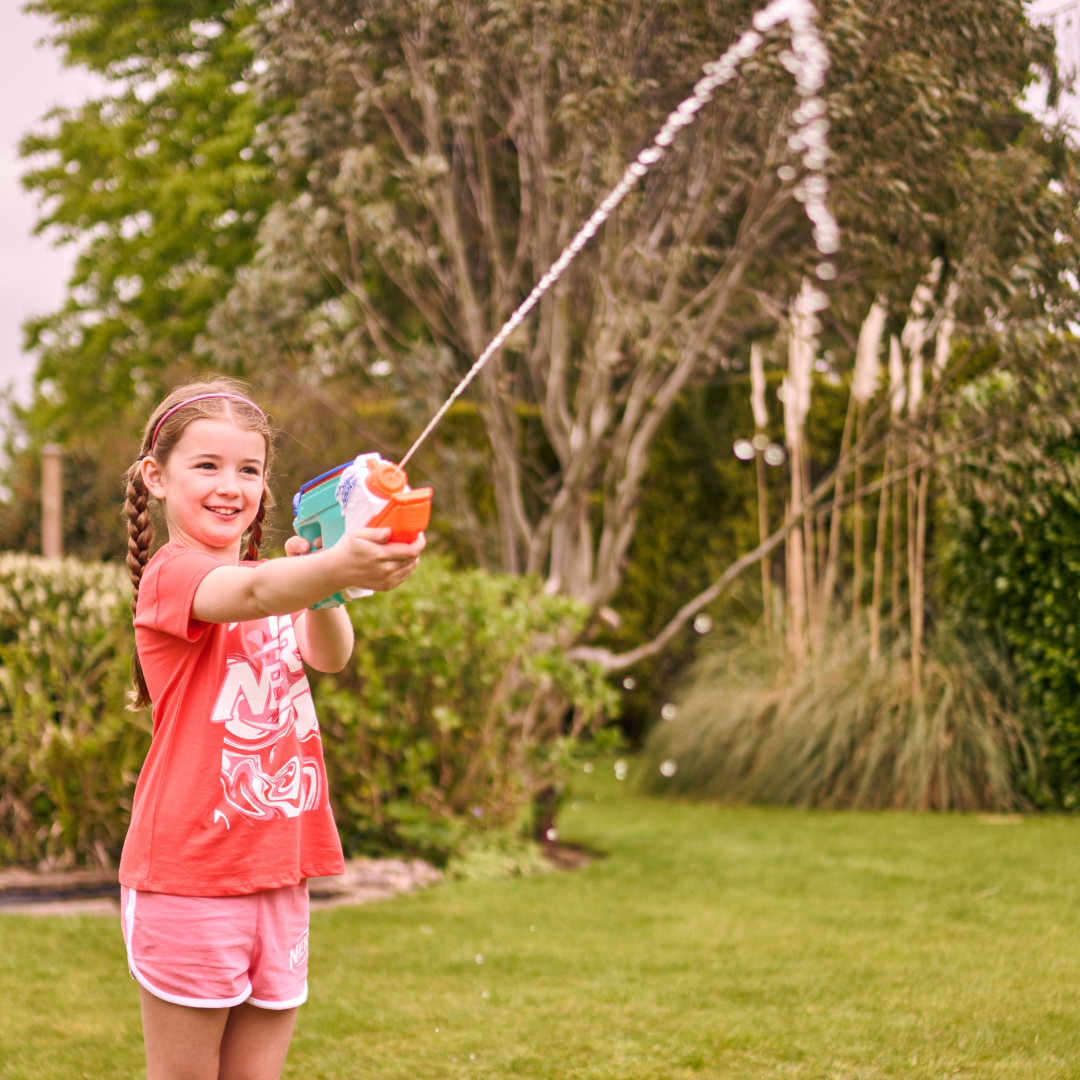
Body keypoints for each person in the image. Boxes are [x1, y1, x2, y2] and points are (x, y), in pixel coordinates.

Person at [118, 378, 424, 1080]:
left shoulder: (280, 579)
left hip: (279, 871)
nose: (232, 485)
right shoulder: (173, 577)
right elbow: (250, 593)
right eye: (208, 466)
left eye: (249, 470)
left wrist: (328, 581)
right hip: (190, 877)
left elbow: (331, 654)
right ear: (156, 478)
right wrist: (325, 567)